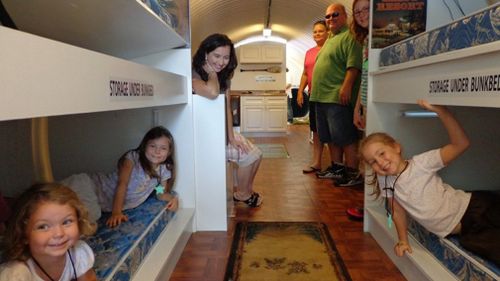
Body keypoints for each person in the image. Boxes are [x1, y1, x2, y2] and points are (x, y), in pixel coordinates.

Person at [360, 100, 500, 266]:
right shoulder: (384, 180)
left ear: (396, 147)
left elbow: (461, 144)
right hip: (466, 231)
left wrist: (441, 111)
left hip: (475, 208)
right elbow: (396, 211)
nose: (380, 162)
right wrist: (403, 240)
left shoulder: (421, 163)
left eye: (382, 153)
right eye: (373, 162)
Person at [192, 33, 263, 207]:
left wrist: (231, 136)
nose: (221, 62)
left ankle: (244, 191)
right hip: (204, 138)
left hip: (220, 133)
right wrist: (211, 73)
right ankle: (243, 194)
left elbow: (226, 107)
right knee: (248, 157)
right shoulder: (193, 73)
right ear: (205, 54)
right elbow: (212, 92)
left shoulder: (225, 75)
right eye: (216, 56)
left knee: (257, 154)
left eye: (226, 57)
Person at [63, 126, 179, 228]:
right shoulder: (133, 158)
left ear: (168, 152)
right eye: (153, 146)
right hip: (90, 185)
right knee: (88, 215)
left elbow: (160, 192)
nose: (157, 151)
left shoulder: (163, 170)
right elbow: (122, 184)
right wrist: (116, 212)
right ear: (145, 146)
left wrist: (172, 199)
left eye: (163, 148)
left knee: (76, 214)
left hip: (98, 202)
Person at [309, 3, 363, 186]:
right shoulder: (331, 38)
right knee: (329, 137)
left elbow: (354, 65)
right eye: (328, 16)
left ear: (345, 15)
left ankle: (352, 173)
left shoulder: (350, 36)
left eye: (335, 15)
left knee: (345, 136)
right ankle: (337, 168)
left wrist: (346, 87)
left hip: (336, 97)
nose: (330, 19)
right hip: (321, 97)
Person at [0, 183, 97, 281]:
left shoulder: (78, 253)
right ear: (24, 235)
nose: (59, 234)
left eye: (66, 222)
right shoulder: (16, 274)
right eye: (43, 227)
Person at [346, 0, 370, 220]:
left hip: (377, 105)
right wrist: (358, 108)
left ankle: (372, 206)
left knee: (372, 155)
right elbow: (365, 79)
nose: (361, 15)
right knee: (368, 155)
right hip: (368, 105)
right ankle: (370, 204)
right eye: (357, 12)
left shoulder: (380, 41)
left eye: (366, 9)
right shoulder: (366, 42)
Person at [296, 20, 328, 174]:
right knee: (315, 130)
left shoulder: (330, 49)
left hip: (328, 96)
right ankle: (317, 162)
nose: (317, 34)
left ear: (328, 32)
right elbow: (305, 73)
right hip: (314, 95)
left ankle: (339, 165)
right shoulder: (309, 52)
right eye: (315, 31)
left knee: (330, 131)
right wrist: (301, 91)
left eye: (321, 31)